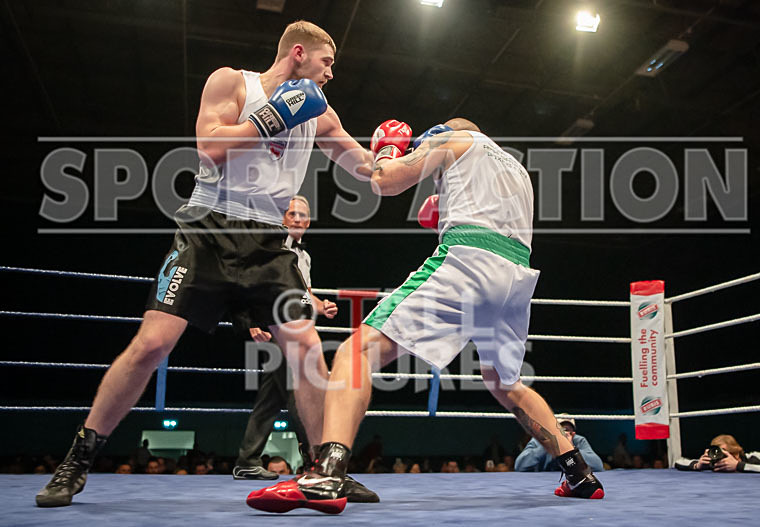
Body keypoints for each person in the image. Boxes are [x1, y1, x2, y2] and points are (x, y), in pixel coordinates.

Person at [36, 19, 374, 508]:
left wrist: (402, 156)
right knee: (152, 344)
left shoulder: (320, 114)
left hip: (268, 240)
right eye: (327, 62)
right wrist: (273, 117)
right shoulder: (232, 82)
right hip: (208, 227)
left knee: (305, 347)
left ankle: (326, 471)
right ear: (299, 53)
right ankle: (78, 458)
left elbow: (367, 169)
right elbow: (210, 148)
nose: (331, 73)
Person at [246, 118, 604, 514]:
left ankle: (326, 475)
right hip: (516, 278)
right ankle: (579, 473)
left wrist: (388, 149)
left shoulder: (454, 139)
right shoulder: (516, 169)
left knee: (355, 352)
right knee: (505, 383)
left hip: (468, 261)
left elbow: (385, 181)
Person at [232, 196, 338, 480]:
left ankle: (247, 460)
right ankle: (316, 458)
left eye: (303, 215)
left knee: (272, 396)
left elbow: (305, 294)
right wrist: (250, 322)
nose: (298, 219)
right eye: (292, 214)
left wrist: (322, 306)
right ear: (282, 217)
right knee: (298, 390)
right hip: (275, 327)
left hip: (298, 330)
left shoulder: (304, 256)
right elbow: (243, 283)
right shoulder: (268, 245)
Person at [514, 417, 604, 473]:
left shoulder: (578, 440)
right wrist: (548, 444)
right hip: (542, 483)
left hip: (569, 481)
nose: (563, 433)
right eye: (560, 429)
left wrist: (571, 449)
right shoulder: (540, 439)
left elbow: (598, 466)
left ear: (573, 433)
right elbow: (520, 466)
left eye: (567, 430)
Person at [674, 434, 760, 473]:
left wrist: (738, 465)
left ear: (736, 454)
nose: (719, 455)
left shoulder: (753, 457)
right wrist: (697, 465)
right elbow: (679, 462)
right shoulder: (714, 462)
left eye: (724, 452)